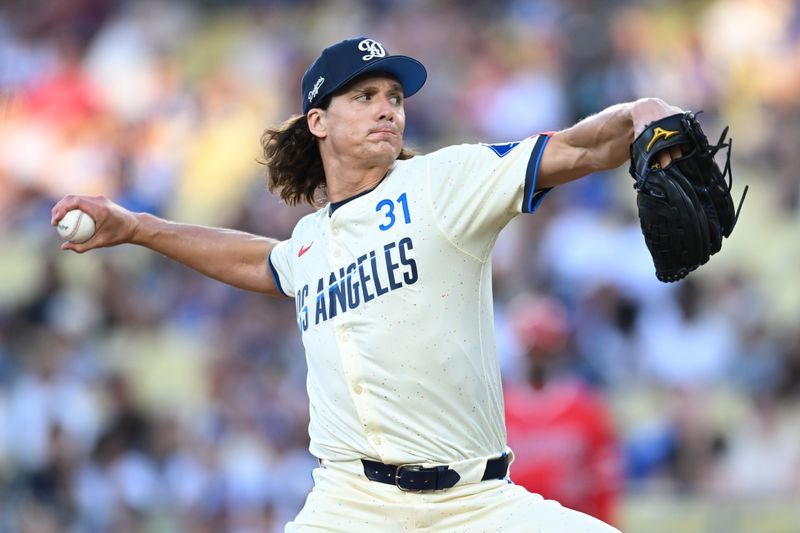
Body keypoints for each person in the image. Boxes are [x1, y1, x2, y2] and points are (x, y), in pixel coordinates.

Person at [52, 36, 683, 532]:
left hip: (477, 506)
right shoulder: (310, 243)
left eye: (394, 96)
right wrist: (138, 226)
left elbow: (570, 150)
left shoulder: (444, 184)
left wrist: (640, 116)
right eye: (365, 96)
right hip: (350, 506)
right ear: (318, 122)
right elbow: (259, 262)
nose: (388, 107)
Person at [503, 293, 622, 526]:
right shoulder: (497, 408)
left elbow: (605, 483)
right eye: (533, 351)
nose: (538, 360)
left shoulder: (586, 408)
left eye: (544, 350)